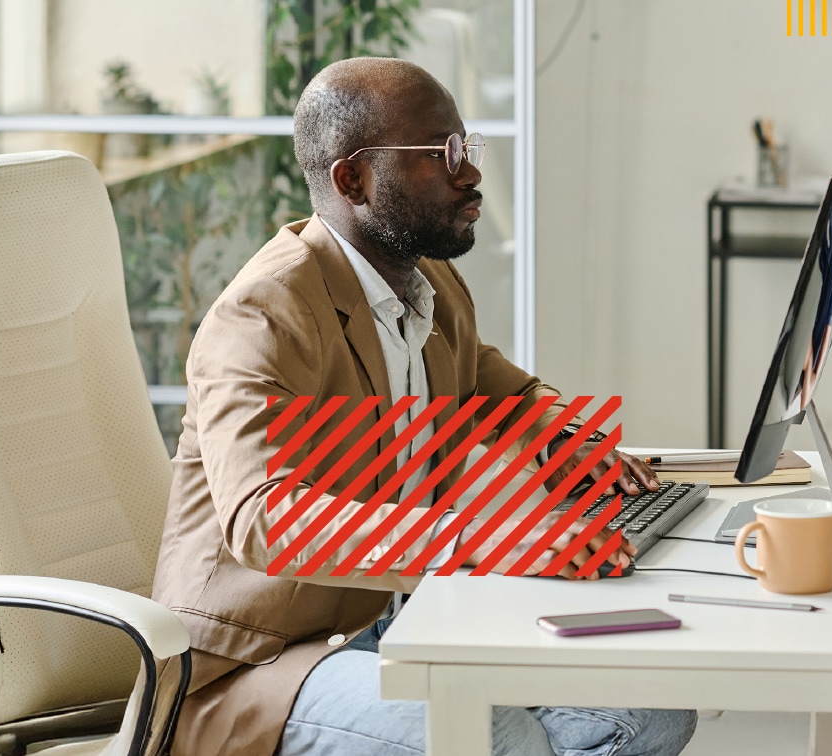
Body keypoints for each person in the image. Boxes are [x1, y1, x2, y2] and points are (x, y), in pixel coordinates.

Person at [152, 57, 696, 756]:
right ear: (353, 180)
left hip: (405, 622)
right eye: (442, 154)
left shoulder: (427, 283)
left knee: (651, 708)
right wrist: (488, 542)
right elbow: (264, 519)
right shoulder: (264, 314)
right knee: (494, 738)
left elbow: (498, 385)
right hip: (261, 665)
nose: (470, 174)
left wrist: (568, 440)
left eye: (467, 146)